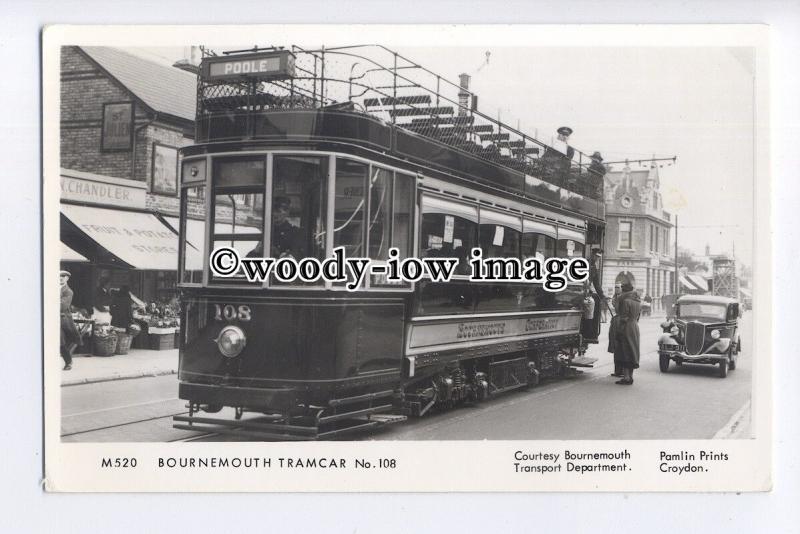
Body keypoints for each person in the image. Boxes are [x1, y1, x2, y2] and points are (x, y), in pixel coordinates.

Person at [614, 282, 642, 385]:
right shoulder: (638, 301)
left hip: (627, 327)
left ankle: (626, 377)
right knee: (633, 351)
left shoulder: (625, 301)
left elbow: (624, 318)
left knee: (625, 350)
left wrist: (619, 330)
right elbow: (638, 317)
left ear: (625, 290)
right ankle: (630, 376)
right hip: (635, 327)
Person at [59, 270, 80, 371]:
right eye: (59, 276)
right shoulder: (52, 288)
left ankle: (68, 362)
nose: (61, 277)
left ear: (67, 278)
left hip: (62, 320)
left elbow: (62, 306)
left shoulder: (68, 291)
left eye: (63, 276)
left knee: (60, 342)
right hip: (51, 318)